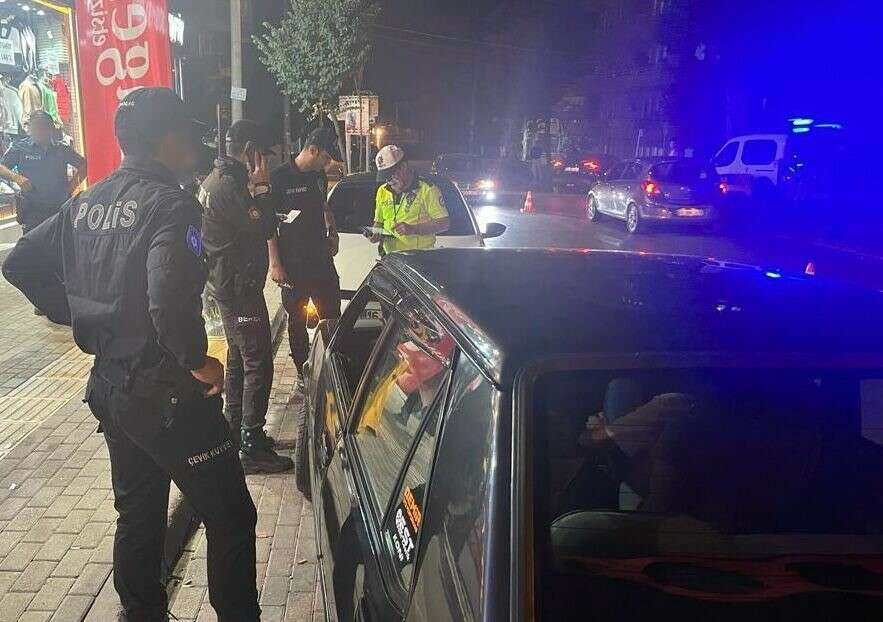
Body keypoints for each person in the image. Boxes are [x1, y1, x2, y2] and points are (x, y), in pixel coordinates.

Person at [2, 88, 260, 622]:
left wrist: (79, 311)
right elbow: (167, 302)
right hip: (169, 394)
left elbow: (19, 262)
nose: (193, 145)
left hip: (113, 390)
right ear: (168, 138)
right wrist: (198, 360)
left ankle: (141, 614)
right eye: (187, 134)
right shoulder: (171, 205)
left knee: (139, 514)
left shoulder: (87, 202)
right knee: (231, 516)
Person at [199, 119, 293, 473]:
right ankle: (251, 442)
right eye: (262, 154)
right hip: (238, 287)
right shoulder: (228, 186)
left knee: (240, 356)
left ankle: (235, 427)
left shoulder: (216, 180)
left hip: (227, 283)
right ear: (250, 150)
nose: (264, 161)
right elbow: (264, 226)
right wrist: (264, 188)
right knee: (258, 360)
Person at [270, 127, 342, 376]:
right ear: (312, 150)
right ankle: (302, 371)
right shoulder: (279, 178)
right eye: (326, 157)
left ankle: (332, 366)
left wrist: (333, 233)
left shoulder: (318, 176)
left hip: (321, 260)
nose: (327, 164)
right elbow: (268, 226)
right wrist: (275, 264)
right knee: (297, 321)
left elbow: (324, 207)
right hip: (292, 263)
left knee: (331, 316)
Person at [0, 109, 86, 234]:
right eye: (36, 126)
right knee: (34, 244)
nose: (39, 130)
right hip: (32, 211)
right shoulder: (20, 147)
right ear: (30, 128)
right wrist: (16, 178)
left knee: (62, 243)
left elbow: (84, 165)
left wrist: (72, 186)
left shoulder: (62, 149)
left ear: (50, 128)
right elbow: (1, 167)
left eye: (43, 126)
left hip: (59, 209)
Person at [371, 144, 449, 254]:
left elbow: (444, 224)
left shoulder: (427, 189)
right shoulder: (382, 190)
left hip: (418, 257)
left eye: (391, 175)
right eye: (385, 177)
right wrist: (375, 233)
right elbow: (378, 222)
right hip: (390, 257)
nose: (389, 181)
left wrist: (414, 229)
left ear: (403, 166)